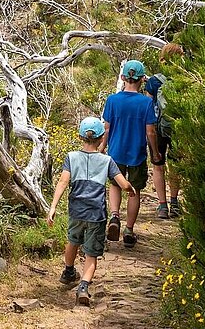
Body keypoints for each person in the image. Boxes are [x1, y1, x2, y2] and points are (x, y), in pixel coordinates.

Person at [46, 116, 137, 306]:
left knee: (72, 241)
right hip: (96, 214)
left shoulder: (71, 157)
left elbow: (63, 182)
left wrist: (53, 207)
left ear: (80, 137)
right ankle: (83, 287)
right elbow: (121, 183)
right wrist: (130, 189)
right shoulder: (107, 161)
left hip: (76, 211)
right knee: (91, 254)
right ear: (102, 138)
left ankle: (69, 270)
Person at [101, 59, 159, 249]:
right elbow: (150, 132)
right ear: (142, 79)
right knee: (134, 191)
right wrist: (155, 153)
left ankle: (115, 216)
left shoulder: (112, 100)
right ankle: (129, 230)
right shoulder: (146, 103)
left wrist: (101, 149)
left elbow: (107, 129)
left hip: (115, 153)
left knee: (115, 185)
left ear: (123, 77)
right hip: (137, 154)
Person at [145, 43, 185, 218]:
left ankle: (162, 206)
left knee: (158, 166)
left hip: (157, 129)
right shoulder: (185, 78)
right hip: (178, 128)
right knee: (175, 165)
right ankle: (175, 202)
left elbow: (148, 107)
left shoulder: (154, 81)